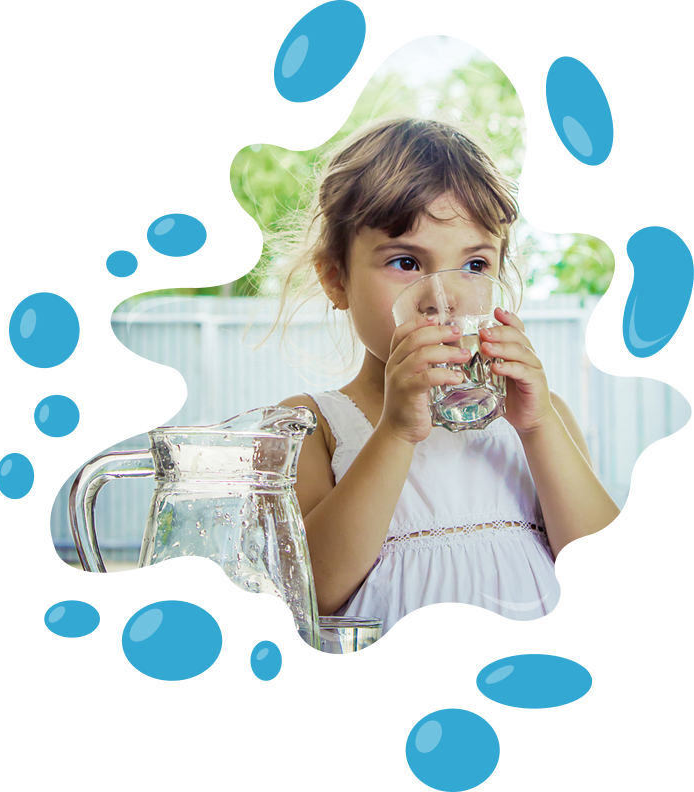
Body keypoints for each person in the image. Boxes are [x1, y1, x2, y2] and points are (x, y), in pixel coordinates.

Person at [251, 114, 621, 636]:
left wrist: (538, 428)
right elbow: (307, 593)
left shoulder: (541, 418)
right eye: (406, 262)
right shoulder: (311, 425)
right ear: (336, 279)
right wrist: (396, 432)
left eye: (474, 266)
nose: (442, 298)